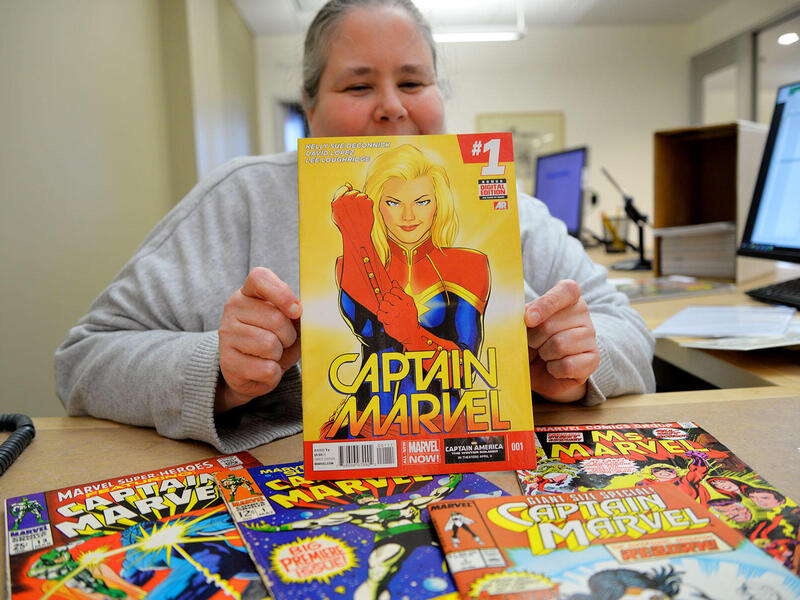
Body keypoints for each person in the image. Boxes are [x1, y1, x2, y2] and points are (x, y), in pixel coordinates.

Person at [55, 0, 655, 453]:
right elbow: (83, 361)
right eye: (358, 84)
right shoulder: (238, 199)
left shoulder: (505, 209)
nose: (392, 105)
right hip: (294, 491)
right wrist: (216, 369)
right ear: (309, 106)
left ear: (438, 95)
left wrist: (573, 367)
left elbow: (629, 333)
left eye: (414, 82)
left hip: (476, 470)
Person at [328, 143, 489, 433]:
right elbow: (370, 326)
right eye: (393, 203)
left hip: (444, 427)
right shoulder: (347, 262)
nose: (408, 216)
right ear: (376, 205)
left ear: (439, 203)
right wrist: (356, 236)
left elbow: (465, 373)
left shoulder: (469, 264)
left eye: (422, 201)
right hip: (366, 427)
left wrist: (415, 336)